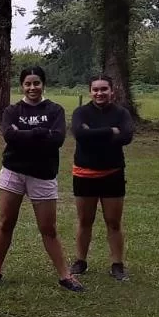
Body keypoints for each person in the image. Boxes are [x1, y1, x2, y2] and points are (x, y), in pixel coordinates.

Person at [0, 65, 84, 292]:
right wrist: (40, 132)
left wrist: (24, 135)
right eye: (28, 83)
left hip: (43, 175)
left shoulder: (55, 110)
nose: (32, 87)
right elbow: (10, 137)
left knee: (48, 228)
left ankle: (65, 275)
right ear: (22, 86)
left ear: (43, 84)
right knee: (5, 223)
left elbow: (57, 139)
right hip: (13, 172)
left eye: (36, 83)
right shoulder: (12, 110)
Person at [69, 75, 134, 281]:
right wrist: (110, 131)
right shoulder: (81, 112)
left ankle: (117, 263)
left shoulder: (121, 113)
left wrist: (93, 133)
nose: (99, 93)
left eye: (104, 89)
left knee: (113, 222)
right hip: (84, 174)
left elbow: (126, 137)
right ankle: (80, 261)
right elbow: (80, 135)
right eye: (95, 89)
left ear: (112, 91)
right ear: (90, 92)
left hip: (112, 173)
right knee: (85, 221)